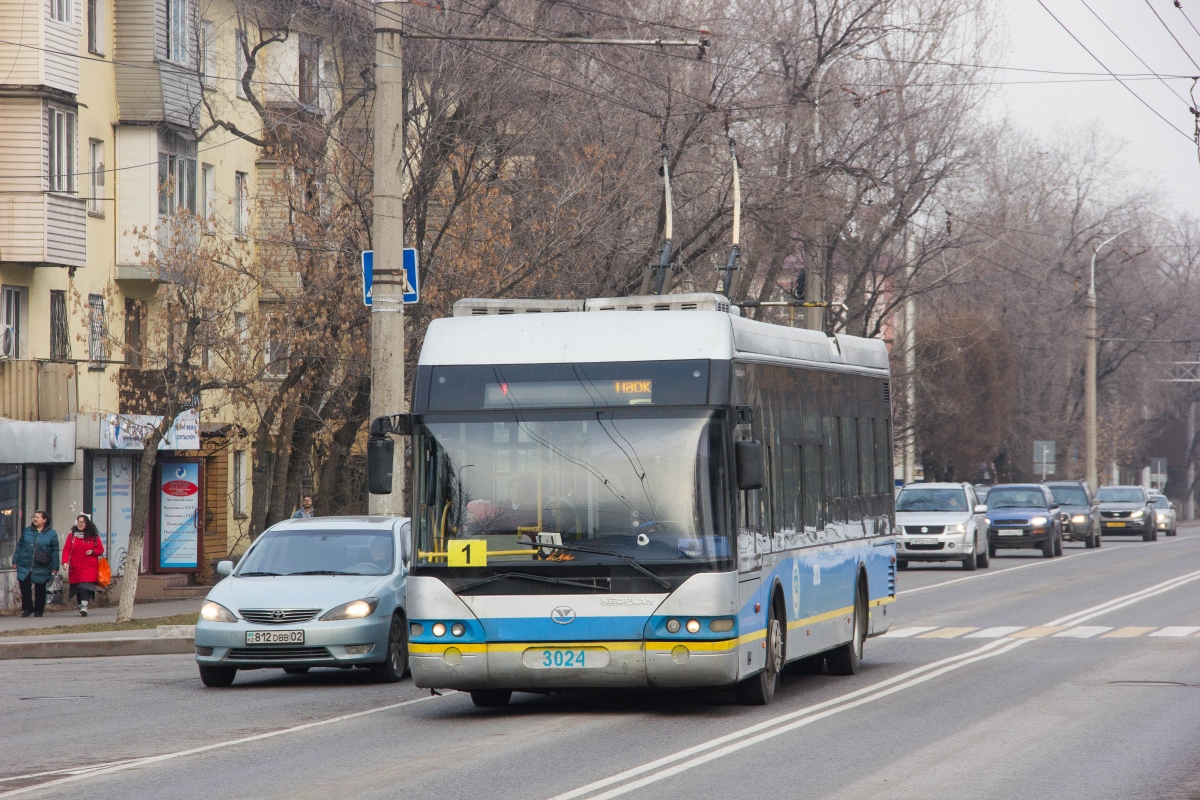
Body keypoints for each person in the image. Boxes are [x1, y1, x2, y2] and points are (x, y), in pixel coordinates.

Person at [14, 510, 59, 618]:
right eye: (34, 517)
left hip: (42, 564)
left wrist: (55, 567)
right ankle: (27, 608)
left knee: (40, 588)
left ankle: (39, 610)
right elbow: (19, 546)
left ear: (44, 520)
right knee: (24, 586)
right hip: (25, 563)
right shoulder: (28, 531)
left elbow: (55, 551)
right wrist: (15, 561)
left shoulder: (51, 533)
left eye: (38, 517)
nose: (35, 519)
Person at [63, 514, 105, 616]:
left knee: (85, 586)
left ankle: (84, 607)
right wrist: (65, 562)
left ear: (87, 523)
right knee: (77, 587)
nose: (80, 524)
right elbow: (67, 550)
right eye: (79, 522)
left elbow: (100, 550)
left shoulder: (94, 536)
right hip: (75, 566)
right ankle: (80, 606)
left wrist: (93, 551)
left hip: (89, 567)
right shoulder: (72, 536)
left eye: (83, 522)